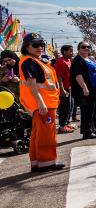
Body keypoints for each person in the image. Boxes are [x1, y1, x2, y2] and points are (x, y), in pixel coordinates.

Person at [18, 33, 64, 172]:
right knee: (46, 135)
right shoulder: (29, 62)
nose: (40, 47)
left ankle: (37, 163)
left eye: (41, 45)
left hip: (43, 104)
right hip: (43, 104)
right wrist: (41, 103)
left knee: (37, 134)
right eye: (35, 45)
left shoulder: (35, 61)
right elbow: (32, 85)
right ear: (27, 47)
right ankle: (47, 163)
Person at [71, 41, 96, 140]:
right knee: (87, 111)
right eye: (83, 47)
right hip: (86, 90)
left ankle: (93, 129)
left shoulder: (87, 59)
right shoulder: (77, 60)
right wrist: (84, 88)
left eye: (88, 47)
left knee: (93, 111)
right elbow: (78, 75)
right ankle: (87, 132)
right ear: (79, 49)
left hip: (94, 89)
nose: (86, 48)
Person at [54, 45, 75, 134]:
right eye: (70, 51)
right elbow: (59, 77)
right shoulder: (60, 61)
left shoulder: (69, 61)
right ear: (64, 51)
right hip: (64, 88)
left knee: (70, 107)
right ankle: (62, 126)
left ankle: (66, 124)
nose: (72, 52)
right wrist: (62, 89)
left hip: (70, 87)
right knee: (64, 108)